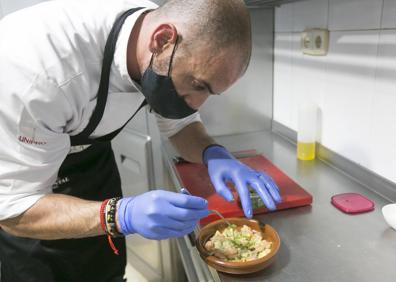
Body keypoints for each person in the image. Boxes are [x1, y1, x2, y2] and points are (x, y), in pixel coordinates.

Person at [0, 0, 281, 281]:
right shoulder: (35, 74)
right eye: (197, 85)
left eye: (210, 92)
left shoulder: (156, 40)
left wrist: (213, 153)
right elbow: (14, 209)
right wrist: (121, 215)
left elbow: (180, 124)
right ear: (161, 40)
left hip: (92, 168)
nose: (196, 104)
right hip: (25, 192)